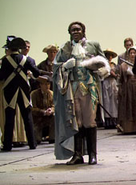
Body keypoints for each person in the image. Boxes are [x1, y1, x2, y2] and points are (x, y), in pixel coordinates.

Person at [53, 21, 109, 165]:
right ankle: (77, 154)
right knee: (76, 122)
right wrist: (65, 66)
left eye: (78, 29)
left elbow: (104, 63)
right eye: (72, 30)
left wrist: (98, 68)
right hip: (72, 89)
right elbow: (56, 66)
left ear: (83, 31)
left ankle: (92, 154)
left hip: (89, 87)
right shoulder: (65, 48)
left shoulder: (93, 45)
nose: (75, 32)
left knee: (89, 121)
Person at [0, 37, 40, 151]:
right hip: (23, 91)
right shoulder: (25, 59)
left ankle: (7, 145)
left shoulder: (6, 60)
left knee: (9, 119)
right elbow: (36, 73)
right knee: (27, 117)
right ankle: (32, 144)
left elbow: (1, 76)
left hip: (10, 92)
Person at [117, 47, 136, 134]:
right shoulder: (124, 65)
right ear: (128, 54)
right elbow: (120, 79)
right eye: (131, 53)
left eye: (134, 53)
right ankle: (128, 128)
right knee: (128, 107)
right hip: (127, 88)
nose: (132, 55)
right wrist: (120, 89)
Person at [31, 75, 55, 144]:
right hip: (38, 120)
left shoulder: (51, 94)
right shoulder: (34, 94)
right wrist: (43, 112)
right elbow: (32, 109)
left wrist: (51, 110)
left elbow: (54, 106)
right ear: (40, 85)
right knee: (37, 140)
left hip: (48, 118)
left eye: (48, 84)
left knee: (54, 117)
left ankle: (52, 138)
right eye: (45, 84)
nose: (47, 86)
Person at [101, 49, 119, 129]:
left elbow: (117, 73)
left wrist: (115, 74)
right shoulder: (102, 65)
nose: (109, 57)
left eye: (110, 56)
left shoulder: (113, 65)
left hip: (113, 83)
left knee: (114, 102)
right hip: (106, 82)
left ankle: (114, 120)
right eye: (107, 55)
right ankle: (107, 121)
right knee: (107, 101)